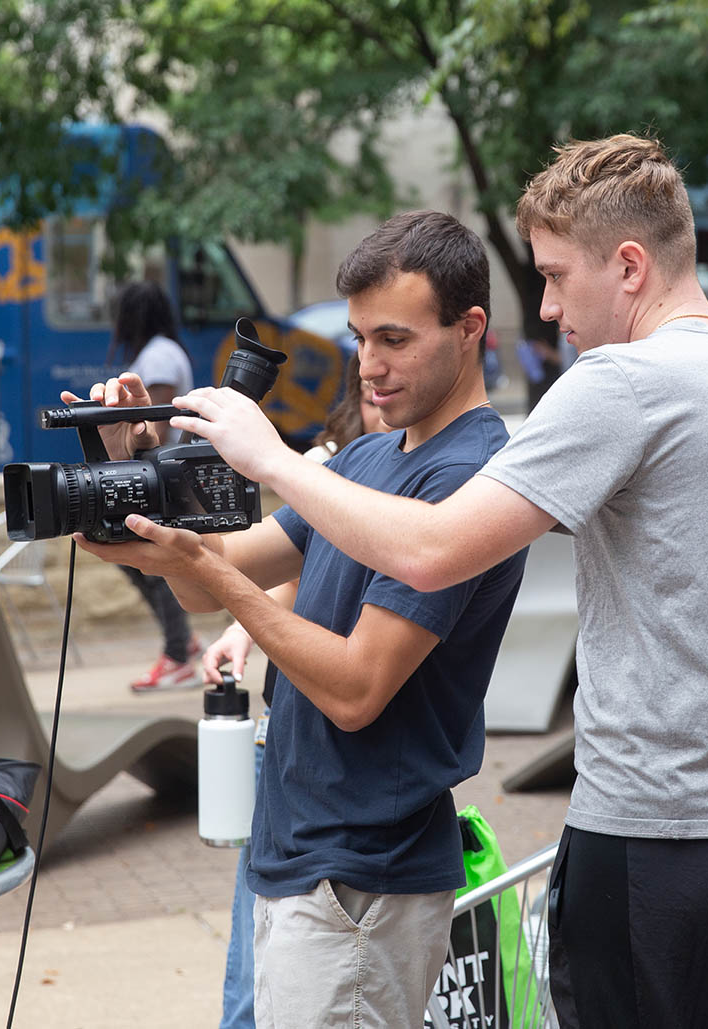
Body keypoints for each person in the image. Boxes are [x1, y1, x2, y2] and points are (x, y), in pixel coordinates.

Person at [164, 136, 708, 1028]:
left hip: (656, 846)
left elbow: (429, 551)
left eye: (555, 275)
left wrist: (272, 458)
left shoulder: (619, 383)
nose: (545, 307)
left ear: (629, 265)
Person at [69, 210, 528, 1027]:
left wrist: (269, 463)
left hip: (362, 879)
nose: (369, 367)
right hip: (298, 857)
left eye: (394, 338)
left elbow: (356, 689)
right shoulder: (370, 454)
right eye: (359, 339)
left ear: (471, 329)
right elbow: (206, 581)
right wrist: (125, 464)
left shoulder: (468, 476)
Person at [208, 353, 391, 1029]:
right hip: (282, 736)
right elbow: (278, 573)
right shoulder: (330, 467)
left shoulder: (421, 483)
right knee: (252, 974)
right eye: (367, 385)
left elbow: (358, 689)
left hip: (354, 788)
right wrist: (239, 626)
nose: (381, 391)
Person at [108, 279, 203, 690]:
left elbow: (156, 426)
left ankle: (178, 655)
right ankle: (183, 641)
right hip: (158, 474)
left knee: (154, 562)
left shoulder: (160, 355)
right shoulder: (161, 350)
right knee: (137, 560)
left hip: (160, 477)